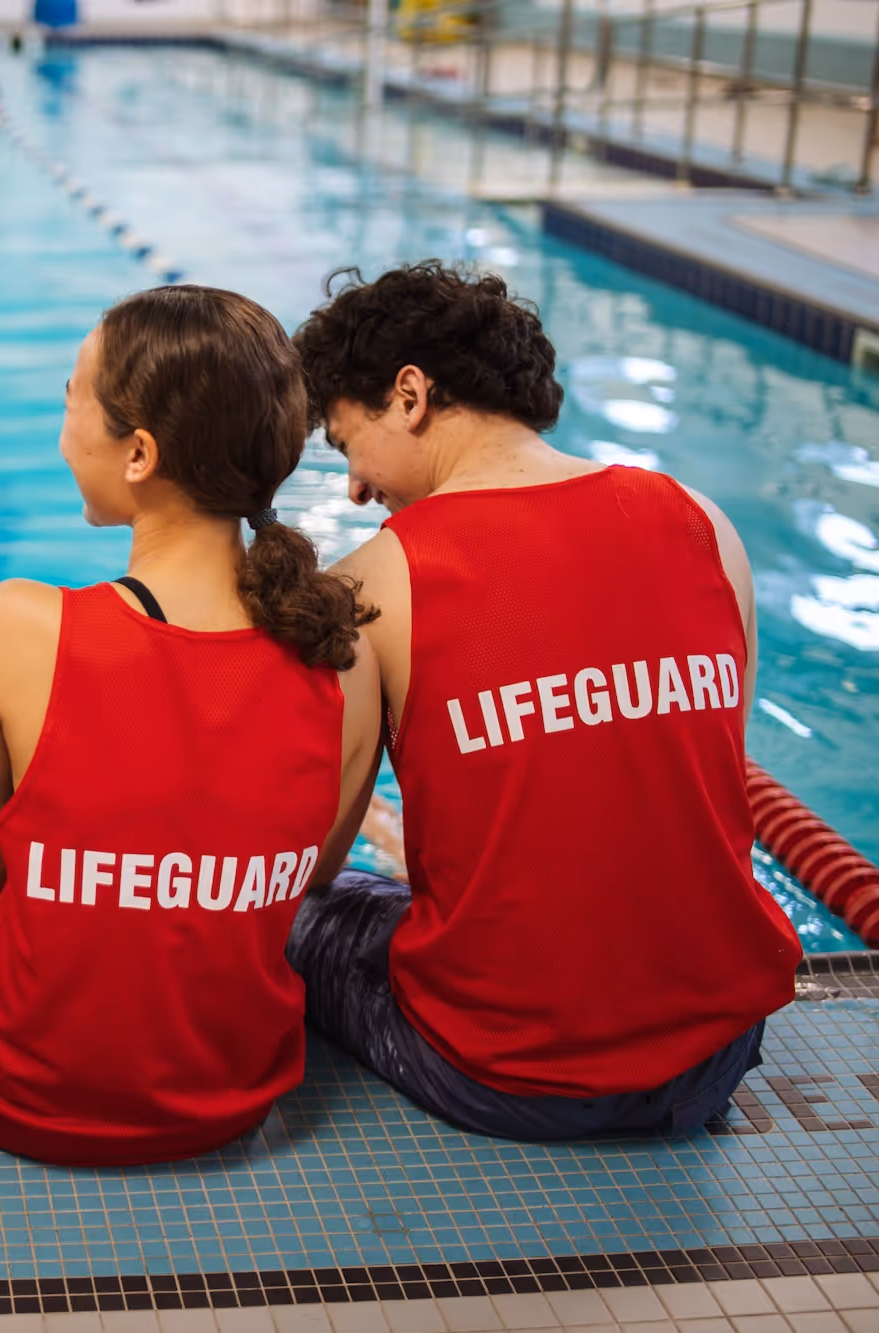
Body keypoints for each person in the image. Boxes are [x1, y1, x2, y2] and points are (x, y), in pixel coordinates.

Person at [286, 262, 802, 1141]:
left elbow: (313, 863)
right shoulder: (703, 522)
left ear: (410, 395)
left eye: (345, 444)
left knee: (299, 911)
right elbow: (699, 797)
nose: (356, 490)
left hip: (503, 1072)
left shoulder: (375, 580)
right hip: (717, 1053)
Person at [0, 286, 382, 1167]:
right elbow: (307, 877)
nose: (62, 431)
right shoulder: (342, 656)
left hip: (22, 1096)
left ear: (139, 452)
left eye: (70, 400)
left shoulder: (20, 625)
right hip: (232, 1097)